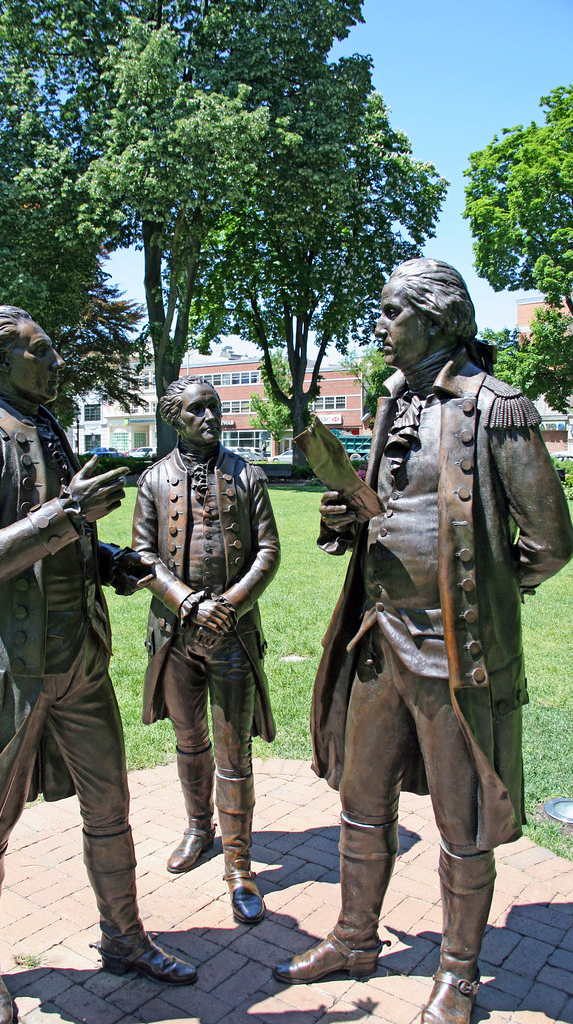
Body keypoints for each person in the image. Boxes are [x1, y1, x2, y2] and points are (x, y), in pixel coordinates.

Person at [273, 260, 573, 1024]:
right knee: (360, 800)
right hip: (379, 637)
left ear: (437, 320)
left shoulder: (496, 407)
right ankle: (353, 937)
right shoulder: (394, 399)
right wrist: (345, 522)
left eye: (389, 312)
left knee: (462, 824)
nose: (379, 326)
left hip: (453, 653)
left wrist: (488, 597)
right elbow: (380, 505)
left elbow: (550, 538)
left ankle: (461, 974)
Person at [0, 307, 196, 1024]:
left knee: (110, 805)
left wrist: (111, 561)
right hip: (6, 671)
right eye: (39, 353)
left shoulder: (48, 427)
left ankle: (124, 938)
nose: (54, 364)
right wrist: (69, 516)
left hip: (79, 658)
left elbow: (64, 548)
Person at [132, 376, 280, 924]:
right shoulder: (153, 482)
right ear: (176, 417)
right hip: (174, 634)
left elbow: (268, 550)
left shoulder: (249, 475)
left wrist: (231, 604)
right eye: (198, 410)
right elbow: (143, 556)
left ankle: (240, 864)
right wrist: (188, 602)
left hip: (234, 634)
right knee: (189, 740)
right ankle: (199, 830)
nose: (211, 417)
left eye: (215, 408)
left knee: (233, 749)